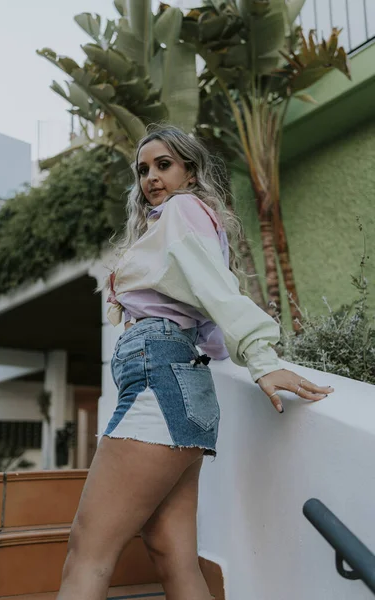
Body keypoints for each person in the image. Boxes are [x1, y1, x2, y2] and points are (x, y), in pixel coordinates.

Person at [58, 126, 334, 600]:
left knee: (88, 552)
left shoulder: (183, 211)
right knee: (172, 554)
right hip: (182, 385)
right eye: (143, 169)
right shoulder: (179, 224)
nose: (151, 177)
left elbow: (219, 294)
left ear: (190, 171)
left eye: (164, 165)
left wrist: (262, 360)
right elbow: (206, 315)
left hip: (160, 380)